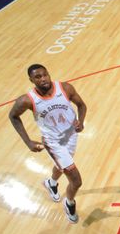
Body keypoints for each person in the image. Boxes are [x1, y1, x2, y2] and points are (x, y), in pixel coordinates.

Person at [8, 64, 88, 224]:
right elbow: (13, 116)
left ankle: (51, 183)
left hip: (71, 136)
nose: (43, 79)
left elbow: (82, 105)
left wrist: (81, 122)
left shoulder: (65, 88)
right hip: (53, 142)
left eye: (45, 75)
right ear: (31, 80)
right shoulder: (27, 100)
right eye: (38, 77)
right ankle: (69, 203)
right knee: (76, 181)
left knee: (62, 166)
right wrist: (28, 141)